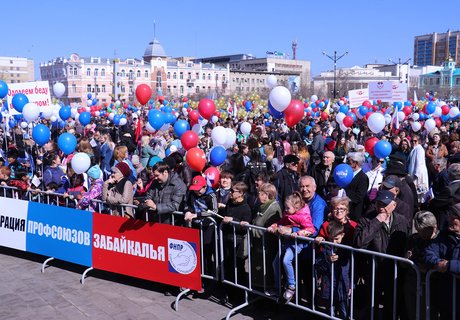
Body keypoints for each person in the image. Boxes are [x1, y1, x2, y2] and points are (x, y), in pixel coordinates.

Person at [354, 189, 410, 319]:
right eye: (379, 204)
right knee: (371, 305)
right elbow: (359, 242)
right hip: (374, 270)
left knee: (391, 306)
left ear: (394, 205)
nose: (382, 207)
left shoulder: (402, 220)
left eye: (385, 204)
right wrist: (376, 222)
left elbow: (406, 242)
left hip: (394, 271)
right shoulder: (366, 220)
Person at [268, 192, 316, 303]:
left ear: (296, 207)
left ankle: (291, 285)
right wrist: (274, 226)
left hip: (296, 244)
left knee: (286, 260)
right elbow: (281, 222)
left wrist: (298, 233)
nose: (285, 209)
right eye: (285, 207)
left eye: (287, 207)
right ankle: (277, 287)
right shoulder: (287, 213)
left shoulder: (303, 216)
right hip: (286, 242)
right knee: (275, 263)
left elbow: (311, 230)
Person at [242, 183, 282, 291]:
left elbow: (268, 230)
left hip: (267, 247)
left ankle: (267, 295)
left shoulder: (274, 209)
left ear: (267, 195)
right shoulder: (261, 206)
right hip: (258, 247)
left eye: (260, 193)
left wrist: (250, 229)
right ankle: (258, 292)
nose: (258, 195)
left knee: (266, 272)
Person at [423, 204, 460, 320]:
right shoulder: (444, 236)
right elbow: (428, 253)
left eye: (453, 217)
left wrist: (448, 265)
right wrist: (438, 263)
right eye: (449, 215)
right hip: (447, 295)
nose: (449, 219)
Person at [316, 221, 351, 319]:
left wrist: (351, 285)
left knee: (344, 313)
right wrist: (327, 260)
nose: (333, 242)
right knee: (330, 313)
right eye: (331, 239)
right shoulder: (325, 247)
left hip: (343, 286)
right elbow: (318, 266)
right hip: (329, 286)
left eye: (336, 239)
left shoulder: (346, 249)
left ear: (342, 235)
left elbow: (351, 269)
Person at [344, 152, 369, 221]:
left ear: (356, 163)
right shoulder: (347, 175)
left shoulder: (363, 177)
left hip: (354, 212)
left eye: (349, 162)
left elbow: (359, 196)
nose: (347, 163)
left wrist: (345, 198)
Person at [408, 134, 429, 199]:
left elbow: (419, 163)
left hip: (418, 175)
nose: (413, 142)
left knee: (418, 194)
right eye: (412, 141)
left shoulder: (419, 149)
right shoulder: (414, 149)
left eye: (415, 141)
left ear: (418, 141)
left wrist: (416, 175)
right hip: (413, 173)